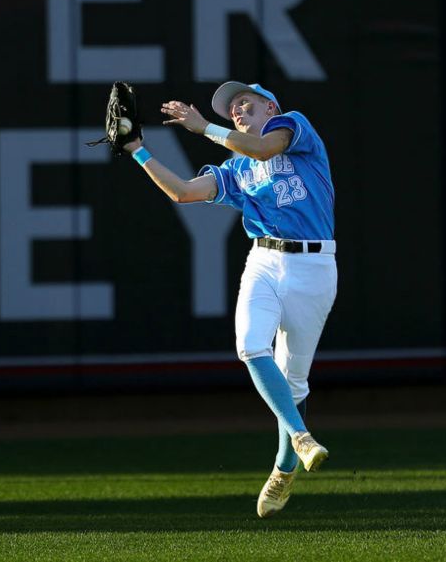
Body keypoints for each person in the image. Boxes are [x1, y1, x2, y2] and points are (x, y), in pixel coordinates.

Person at [123, 81, 337, 518]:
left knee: (295, 382)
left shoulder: (293, 126)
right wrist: (137, 151)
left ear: (270, 106)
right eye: (232, 108)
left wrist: (203, 127)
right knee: (249, 345)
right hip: (264, 260)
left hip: (315, 267)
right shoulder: (236, 169)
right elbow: (183, 192)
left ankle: (283, 468)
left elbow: (264, 149)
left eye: (246, 102)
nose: (237, 109)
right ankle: (300, 438)